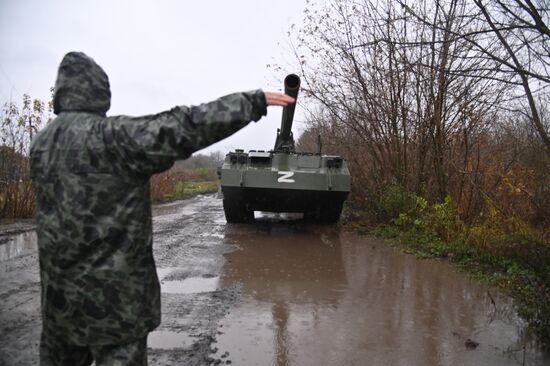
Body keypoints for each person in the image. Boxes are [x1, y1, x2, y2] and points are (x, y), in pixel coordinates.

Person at [29, 51, 295, 366]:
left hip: (60, 307)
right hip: (118, 309)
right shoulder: (113, 138)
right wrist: (250, 103)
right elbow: (181, 126)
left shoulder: (41, 145)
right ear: (100, 92)